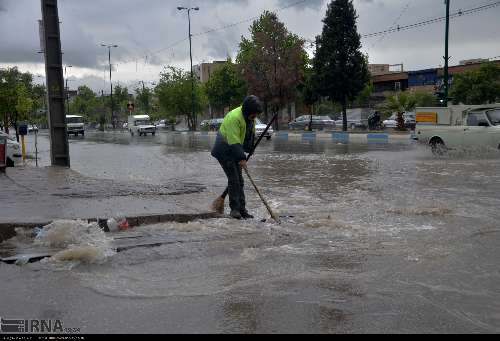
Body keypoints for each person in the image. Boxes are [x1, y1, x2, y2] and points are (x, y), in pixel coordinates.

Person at [211, 95, 262, 220]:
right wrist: (242, 157)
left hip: (234, 149)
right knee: (234, 179)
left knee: (240, 181)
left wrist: (250, 148)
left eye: (256, 115)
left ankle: (242, 209)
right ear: (247, 111)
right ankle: (234, 210)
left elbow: (248, 135)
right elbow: (234, 141)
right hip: (224, 150)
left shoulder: (250, 119)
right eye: (254, 115)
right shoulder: (234, 117)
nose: (255, 117)